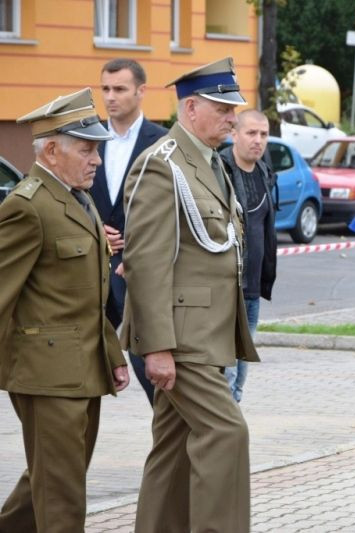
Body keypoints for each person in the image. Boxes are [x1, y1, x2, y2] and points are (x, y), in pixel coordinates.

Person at [122, 57, 259, 532]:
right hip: (181, 336)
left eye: (233, 108)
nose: (232, 117)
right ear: (192, 107)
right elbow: (145, 261)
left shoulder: (209, 163)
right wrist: (157, 346)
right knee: (226, 431)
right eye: (222, 108)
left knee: (173, 447)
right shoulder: (161, 165)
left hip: (207, 332)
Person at [0, 88, 129, 532]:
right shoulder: (27, 206)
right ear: (51, 150)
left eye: (97, 149)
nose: (96, 159)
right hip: (46, 374)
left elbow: (90, 295)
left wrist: (112, 355)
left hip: (82, 369)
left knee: (47, 483)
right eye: (86, 148)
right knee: (63, 497)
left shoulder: (79, 198)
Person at [90, 58, 167, 406]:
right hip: (93, 267)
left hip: (139, 268)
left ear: (140, 91)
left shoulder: (162, 143)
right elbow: (74, 195)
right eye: (105, 89)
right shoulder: (88, 139)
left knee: (148, 360)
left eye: (119, 89)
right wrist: (95, 230)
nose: (110, 97)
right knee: (87, 361)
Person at [220, 109, 277, 402]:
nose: (258, 140)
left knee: (240, 376)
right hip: (226, 288)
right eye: (251, 133)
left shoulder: (265, 171)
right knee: (226, 374)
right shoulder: (220, 170)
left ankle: (229, 439)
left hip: (252, 288)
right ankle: (223, 442)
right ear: (234, 134)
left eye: (263, 134)